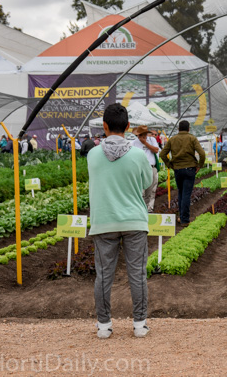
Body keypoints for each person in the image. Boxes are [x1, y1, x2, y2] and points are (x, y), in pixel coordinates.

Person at [87, 103, 153, 339]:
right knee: (137, 274)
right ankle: (139, 324)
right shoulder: (138, 154)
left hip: (104, 221)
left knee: (104, 275)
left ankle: (104, 325)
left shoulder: (93, 154)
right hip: (134, 221)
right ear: (128, 126)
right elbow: (147, 182)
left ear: (104, 126)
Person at [159, 120, 206, 225]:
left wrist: (169, 165)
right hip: (190, 169)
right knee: (186, 194)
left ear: (178, 129)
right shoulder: (192, 138)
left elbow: (162, 154)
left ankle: (181, 217)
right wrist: (199, 165)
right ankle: (185, 219)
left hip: (177, 169)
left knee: (181, 193)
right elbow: (202, 154)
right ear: (188, 129)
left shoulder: (172, 139)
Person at [132, 126, 160, 213]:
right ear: (138, 135)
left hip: (151, 168)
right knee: (140, 191)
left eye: (144, 134)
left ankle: (149, 209)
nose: (143, 136)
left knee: (151, 191)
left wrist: (145, 143)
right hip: (139, 169)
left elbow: (156, 150)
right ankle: (140, 210)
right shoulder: (134, 143)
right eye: (140, 135)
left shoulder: (152, 140)